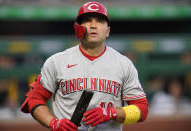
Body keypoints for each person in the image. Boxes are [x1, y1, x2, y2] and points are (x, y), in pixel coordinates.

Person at [21, 1, 148, 131]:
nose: (93, 26)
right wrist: (53, 123)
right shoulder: (57, 61)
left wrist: (112, 113)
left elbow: (142, 109)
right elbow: (34, 100)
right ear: (78, 28)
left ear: (108, 31)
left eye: (100, 21)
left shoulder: (124, 64)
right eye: (87, 21)